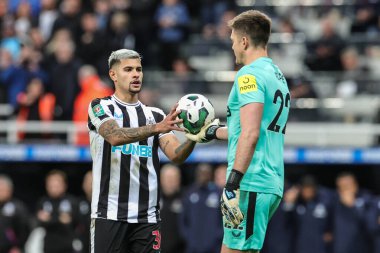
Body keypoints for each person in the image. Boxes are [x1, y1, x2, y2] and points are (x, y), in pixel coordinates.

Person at [186, 10, 290, 253]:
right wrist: (212, 132)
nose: (232, 46)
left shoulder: (249, 75)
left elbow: (251, 133)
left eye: (233, 40)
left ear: (244, 41)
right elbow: (249, 129)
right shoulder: (277, 76)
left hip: (251, 180)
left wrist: (232, 183)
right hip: (267, 180)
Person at [88, 48, 196, 253]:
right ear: (113, 74)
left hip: (147, 218)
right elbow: (115, 136)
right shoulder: (100, 106)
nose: (136, 74)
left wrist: (193, 138)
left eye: (138, 69)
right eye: (128, 69)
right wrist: (157, 128)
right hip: (109, 214)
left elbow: (176, 155)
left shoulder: (155, 114)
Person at [179, 163, 223, 253]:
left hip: (214, 247)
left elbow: (224, 219)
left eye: (206, 173)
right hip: (192, 247)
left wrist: (217, 236)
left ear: (211, 175)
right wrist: (189, 237)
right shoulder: (189, 193)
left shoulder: (219, 193)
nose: (203, 175)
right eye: (201, 173)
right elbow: (182, 219)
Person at [36, 170, 80, 253]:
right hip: (48, 248)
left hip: (68, 248)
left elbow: (75, 221)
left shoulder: (72, 201)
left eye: (57, 184)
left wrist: (50, 219)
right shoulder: (42, 201)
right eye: (51, 184)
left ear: (64, 185)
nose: (54, 187)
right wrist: (60, 219)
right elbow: (40, 222)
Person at [0, 175, 30, 253]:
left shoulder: (18, 207)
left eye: (2, 189)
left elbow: (25, 229)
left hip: (11, 249)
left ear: (10, 190)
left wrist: (18, 246)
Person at [160, 164, 185, 253]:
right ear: (161, 179)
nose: (170, 181)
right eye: (168, 178)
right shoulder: (152, 199)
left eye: (174, 178)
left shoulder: (187, 199)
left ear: (179, 180)